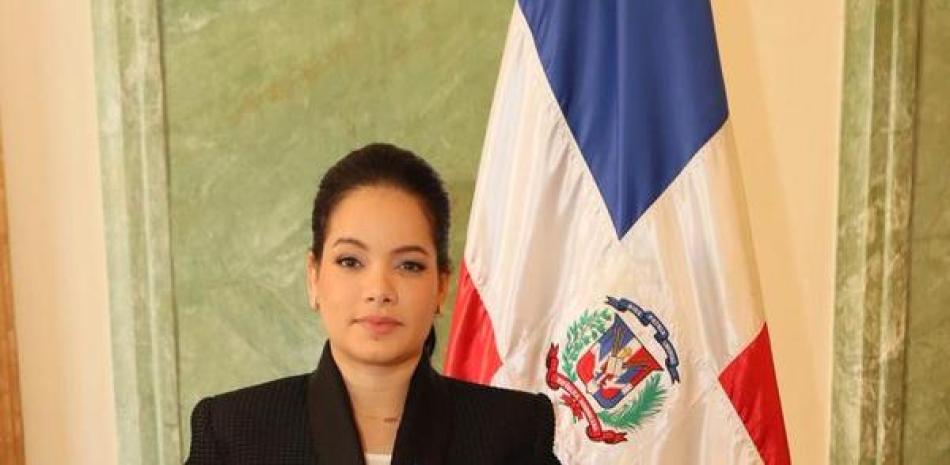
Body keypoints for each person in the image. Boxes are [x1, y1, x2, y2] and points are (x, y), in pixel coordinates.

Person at [185, 143, 560, 465]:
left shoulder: (515, 431)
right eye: (351, 261)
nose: (379, 290)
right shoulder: (233, 433)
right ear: (313, 277)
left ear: (441, 286)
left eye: (409, 265)